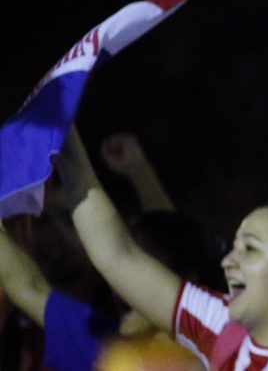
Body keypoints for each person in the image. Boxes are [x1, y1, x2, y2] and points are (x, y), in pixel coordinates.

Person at [55, 126, 268, 370]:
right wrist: (64, 140)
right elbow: (116, 254)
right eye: (235, 245)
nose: (228, 260)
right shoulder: (222, 327)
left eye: (250, 249)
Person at [0, 132, 220, 371]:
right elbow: (27, 285)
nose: (118, 285)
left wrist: (140, 172)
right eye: (44, 223)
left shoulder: (232, 346)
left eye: (132, 266)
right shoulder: (99, 340)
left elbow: (174, 243)